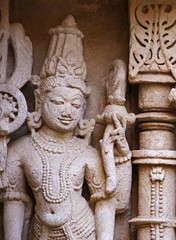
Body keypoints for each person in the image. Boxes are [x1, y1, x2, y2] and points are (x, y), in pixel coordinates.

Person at [3, 16, 116, 240]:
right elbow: (14, 200)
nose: (68, 112)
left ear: (84, 108)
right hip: (41, 233)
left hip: (82, 231)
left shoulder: (86, 153)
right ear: (39, 100)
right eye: (57, 102)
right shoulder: (21, 149)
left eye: (76, 105)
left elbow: (104, 201)